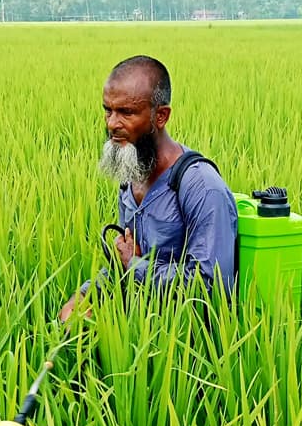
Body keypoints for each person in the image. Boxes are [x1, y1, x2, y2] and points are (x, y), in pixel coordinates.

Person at [59, 55, 238, 323]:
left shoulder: (200, 186)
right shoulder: (132, 173)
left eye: (126, 113)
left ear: (161, 116)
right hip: (142, 329)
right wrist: (85, 295)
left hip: (187, 344)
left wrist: (135, 266)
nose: (111, 124)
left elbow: (209, 285)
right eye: (108, 110)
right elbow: (124, 267)